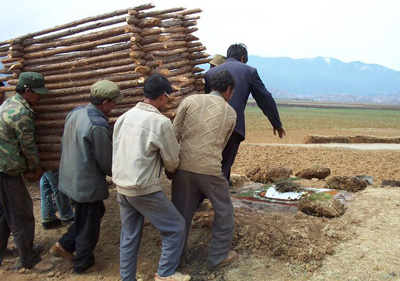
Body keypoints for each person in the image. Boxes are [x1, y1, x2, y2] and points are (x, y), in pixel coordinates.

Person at [112, 74, 190, 281]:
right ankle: (165, 274)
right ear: (163, 96)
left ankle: (127, 278)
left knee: (129, 236)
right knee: (175, 227)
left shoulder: (124, 117)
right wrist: (170, 171)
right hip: (143, 188)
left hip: (122, 186)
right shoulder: (160, 122)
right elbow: (172, 159)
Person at [50, 80, 123, 274]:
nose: (115, 106)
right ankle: (83, 262)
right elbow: (105, 160)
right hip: (86, 182)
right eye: (113, 102)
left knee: (92, 213)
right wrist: (118, 174)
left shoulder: (75, 112)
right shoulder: (97, 124)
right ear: (105, 102)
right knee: (89, 219)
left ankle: (64, 245)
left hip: (70, 176)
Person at [172, 70, 238, 269]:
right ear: (228, 90)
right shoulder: (230, 112)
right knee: (224, 211)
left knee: (180, 215)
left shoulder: (189, 101)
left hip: (182, 167)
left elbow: (174, 133)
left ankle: (174, 261)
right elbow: (222, 145)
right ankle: (218, 256)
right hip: (210, 170)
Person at [204, 43, 286, 183]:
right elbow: (264, 98)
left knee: (210, 163)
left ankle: (208, 196)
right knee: (224, 165)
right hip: (234, 126)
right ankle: (219, 198)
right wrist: (276, 123)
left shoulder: (210, 73)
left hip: (210, 125)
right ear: (243, 58)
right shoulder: (249, 71)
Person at [0, 72, 53, 271]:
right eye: (37, 93)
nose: (40, 98)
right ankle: (27, 258)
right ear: (27, 91)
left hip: (2, 167)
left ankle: (2, 250)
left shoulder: (8, 103)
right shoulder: (21, 113)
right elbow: (28, 146)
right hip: (7, 169)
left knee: (4, 212)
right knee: (21, 213)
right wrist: (36, 167)